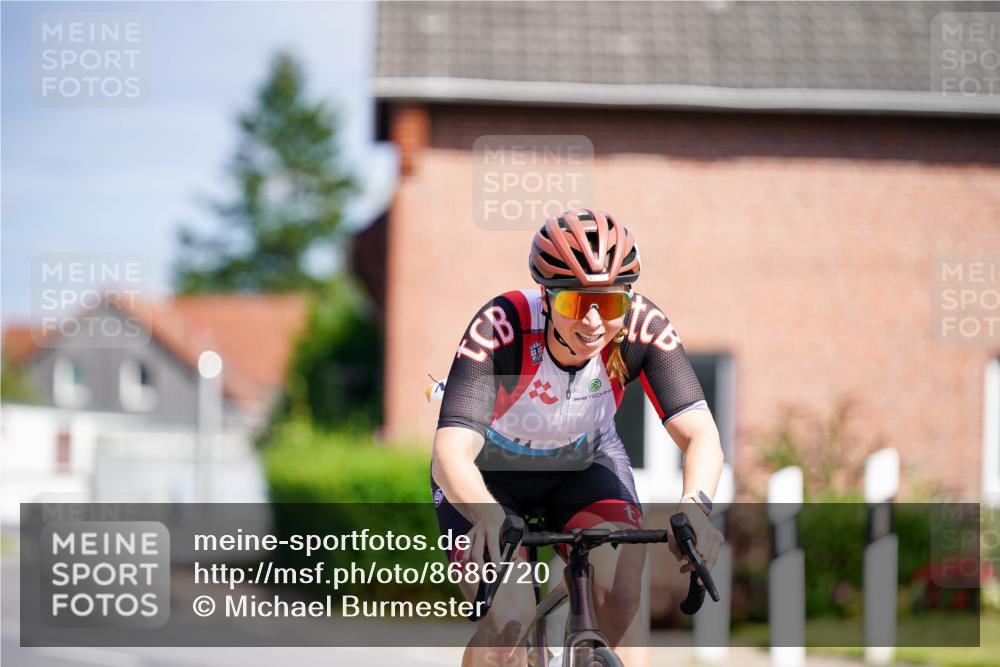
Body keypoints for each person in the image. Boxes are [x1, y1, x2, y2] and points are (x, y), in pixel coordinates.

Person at [431, 209, 724, 667]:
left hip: (585, 465)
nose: (591, 322)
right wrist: (482, 511)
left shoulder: (641, 329)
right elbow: (449, 453)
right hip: (490, 476)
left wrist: (696, 508)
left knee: (622, 599)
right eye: (573, 304)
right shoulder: (502, 325)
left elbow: (701, 434)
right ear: (547, 299)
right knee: (510, 618)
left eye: (607, 305)